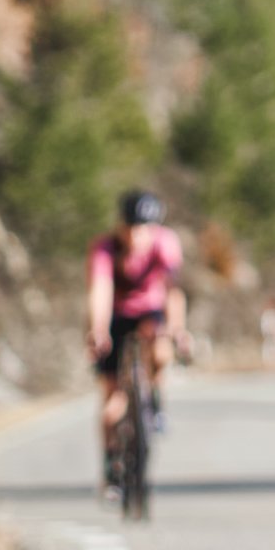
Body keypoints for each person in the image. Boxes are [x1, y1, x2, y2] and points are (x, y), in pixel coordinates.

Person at [87, 190, 190, 493]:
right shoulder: (104, 249)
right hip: (115, 316)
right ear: (121, 225)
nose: (137, 235)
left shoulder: (165, 243)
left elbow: (173, 290)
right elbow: (100, 292)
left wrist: (177, 328)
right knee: (111, 404)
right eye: (131, 227)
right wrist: (98, 329)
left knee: (160, 349)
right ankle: (111, 467)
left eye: (144, 227)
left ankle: (155, 398)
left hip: (150, 311)